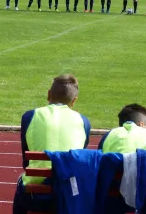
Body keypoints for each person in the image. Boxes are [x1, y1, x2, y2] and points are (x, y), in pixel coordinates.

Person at [12, 74, 91, 214]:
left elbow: (27, 161)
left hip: (36, 196)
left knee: (21, 181)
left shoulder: (30, 116)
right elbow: (79, 156)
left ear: (49, 94)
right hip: (70, 194)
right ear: (74, 101)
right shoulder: (83, 121)